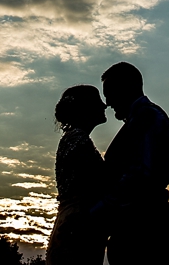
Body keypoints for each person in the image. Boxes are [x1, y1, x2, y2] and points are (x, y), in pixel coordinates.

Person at [96, 62, 169, 264]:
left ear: (128, 87)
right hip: (133, 229)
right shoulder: (140, 118)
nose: (107, 102)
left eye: (110, 92)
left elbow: (143, 175)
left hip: (142, 232)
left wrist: (100, 208)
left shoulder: (149, 117)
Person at [45, 85, 109, 265]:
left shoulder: (74, 138)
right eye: (98, 101)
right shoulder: (78, 140)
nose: (104, 106)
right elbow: (99, 182)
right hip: (77, 225)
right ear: (85, 108)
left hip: (74, 221)